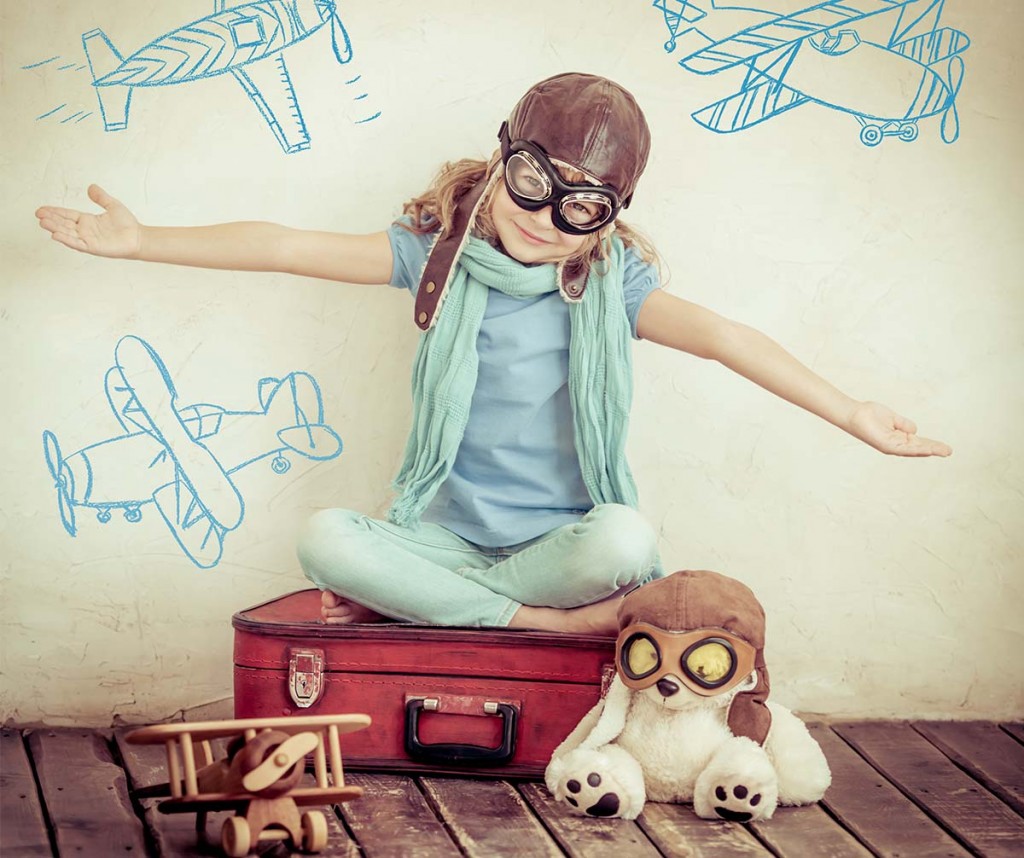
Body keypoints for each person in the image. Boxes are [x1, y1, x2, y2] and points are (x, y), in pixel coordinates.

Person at [35, 73, 951, 636]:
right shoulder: (432, 251)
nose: (545, 219)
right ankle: (535, 625)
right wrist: (145, 239)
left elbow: (727, 340)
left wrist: (853, 413)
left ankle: (436, 603)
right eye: (532, 184)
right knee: (324, 538)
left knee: (627, 539)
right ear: (504, 157)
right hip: (443, 530)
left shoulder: (608, 288)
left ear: (609, 217)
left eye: (581, 209)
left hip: (558, 542)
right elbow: (283, 244)